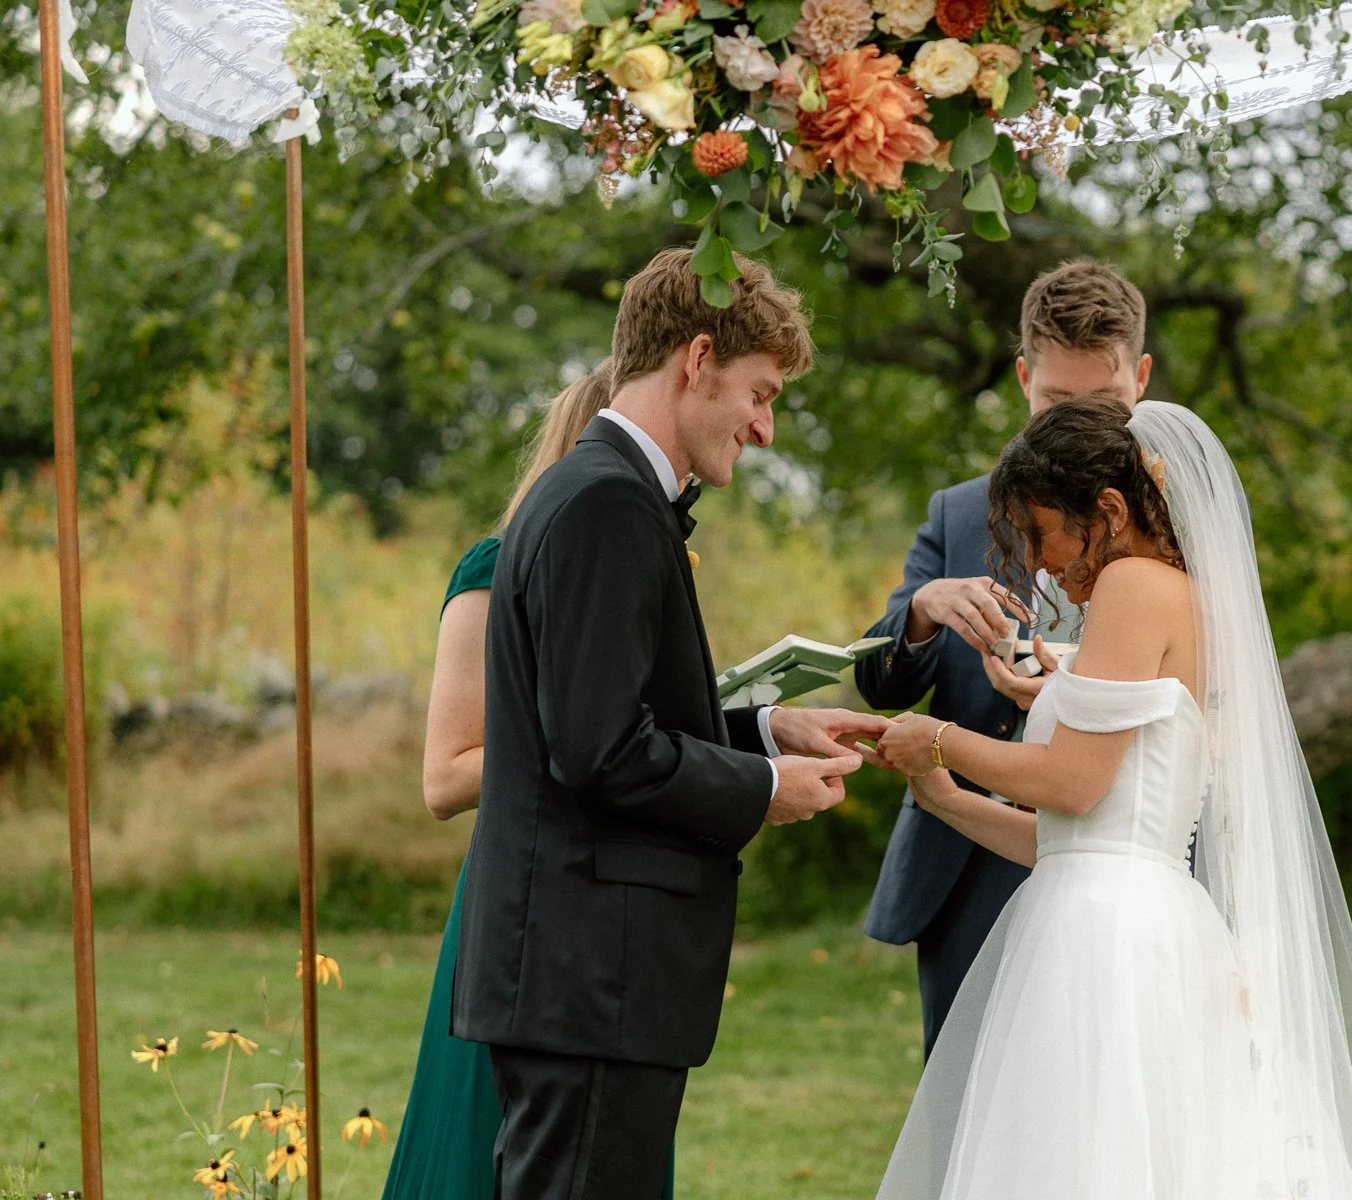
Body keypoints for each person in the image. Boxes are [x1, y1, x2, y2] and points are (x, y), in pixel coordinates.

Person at [873, 398, 1352, 1200]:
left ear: (1110, 510)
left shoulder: (1135, 584)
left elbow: (1071, 781)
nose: (1040, 563)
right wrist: (941, 793)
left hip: (1108, 938)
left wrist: (940, 738)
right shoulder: (1178, 595)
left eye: (1042, 533)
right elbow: (1064, 836)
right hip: (1112, 908)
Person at [451, 247, 891, 1200]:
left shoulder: (598, 489)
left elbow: (601, 717)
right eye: (760, 393)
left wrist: (767, 734)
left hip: (585, 977)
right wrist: (764, 789)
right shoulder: (607, 502)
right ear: (697, 359)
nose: (765, 427)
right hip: (591, 973)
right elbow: (599, 752)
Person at [854, 260, 1154, 1055]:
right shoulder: (959, 513)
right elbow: (877, 680)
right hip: (969, 868)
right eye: (1057, 402)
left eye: (1105, 403)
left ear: (1142, 379)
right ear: (1023, 379)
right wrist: (923, 611)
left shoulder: (1183, 518)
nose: (1079, 427)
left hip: (1125, 866)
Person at [382, 360, 627, 1200]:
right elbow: (445, 775)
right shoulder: (492, 571)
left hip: (610, 917)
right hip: (519, 907)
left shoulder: (636, 572)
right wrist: (590, 743)